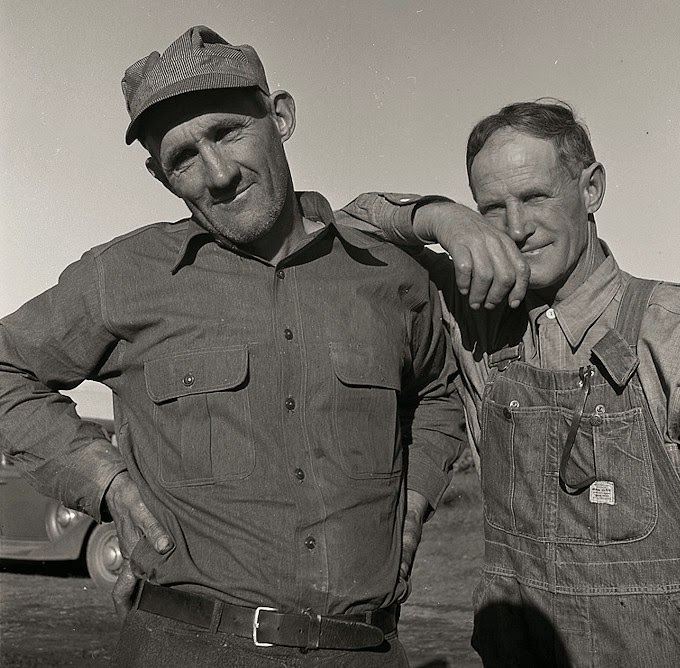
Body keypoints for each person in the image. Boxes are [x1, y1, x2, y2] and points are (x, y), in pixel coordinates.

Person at [0, 26, 466, 666]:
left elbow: (438, 393)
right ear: (161, 177)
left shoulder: (389, 278)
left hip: (363, 651)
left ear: (281, 116)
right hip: (185, 647)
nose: (216, 174)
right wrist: (105, 484)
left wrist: (412, 503)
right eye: (182, 158)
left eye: (226, 132)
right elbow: (7, 368)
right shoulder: (126, 276)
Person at [338, 100, 680, 666]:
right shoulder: (478, 323)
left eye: (535, 197)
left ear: (593, 189)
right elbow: (354, 223)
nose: (516, 228)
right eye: (491, 209)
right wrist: (443, 218)